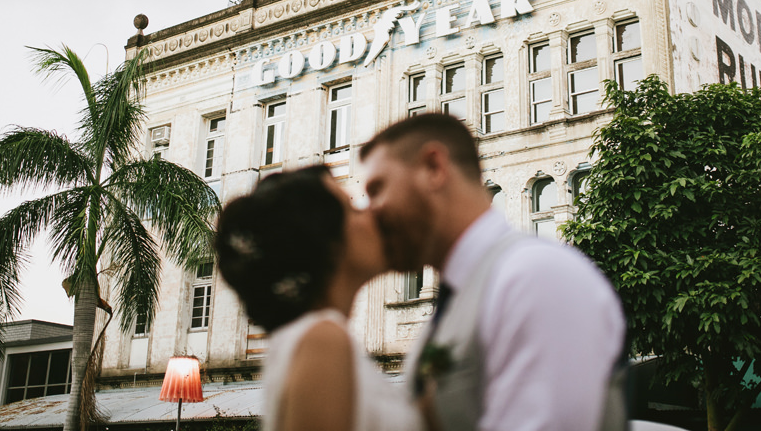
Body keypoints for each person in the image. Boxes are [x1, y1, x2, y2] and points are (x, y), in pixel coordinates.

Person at [360, 113, 628, 431]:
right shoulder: (456, 302)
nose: (370, 211)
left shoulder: (536, 277)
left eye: (378, 189)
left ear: (434, 167)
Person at [215, 165, 423, 431]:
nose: (371, 213)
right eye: (353, 209)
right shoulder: (323, 340)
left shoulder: (308, 337)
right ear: (328, 245)